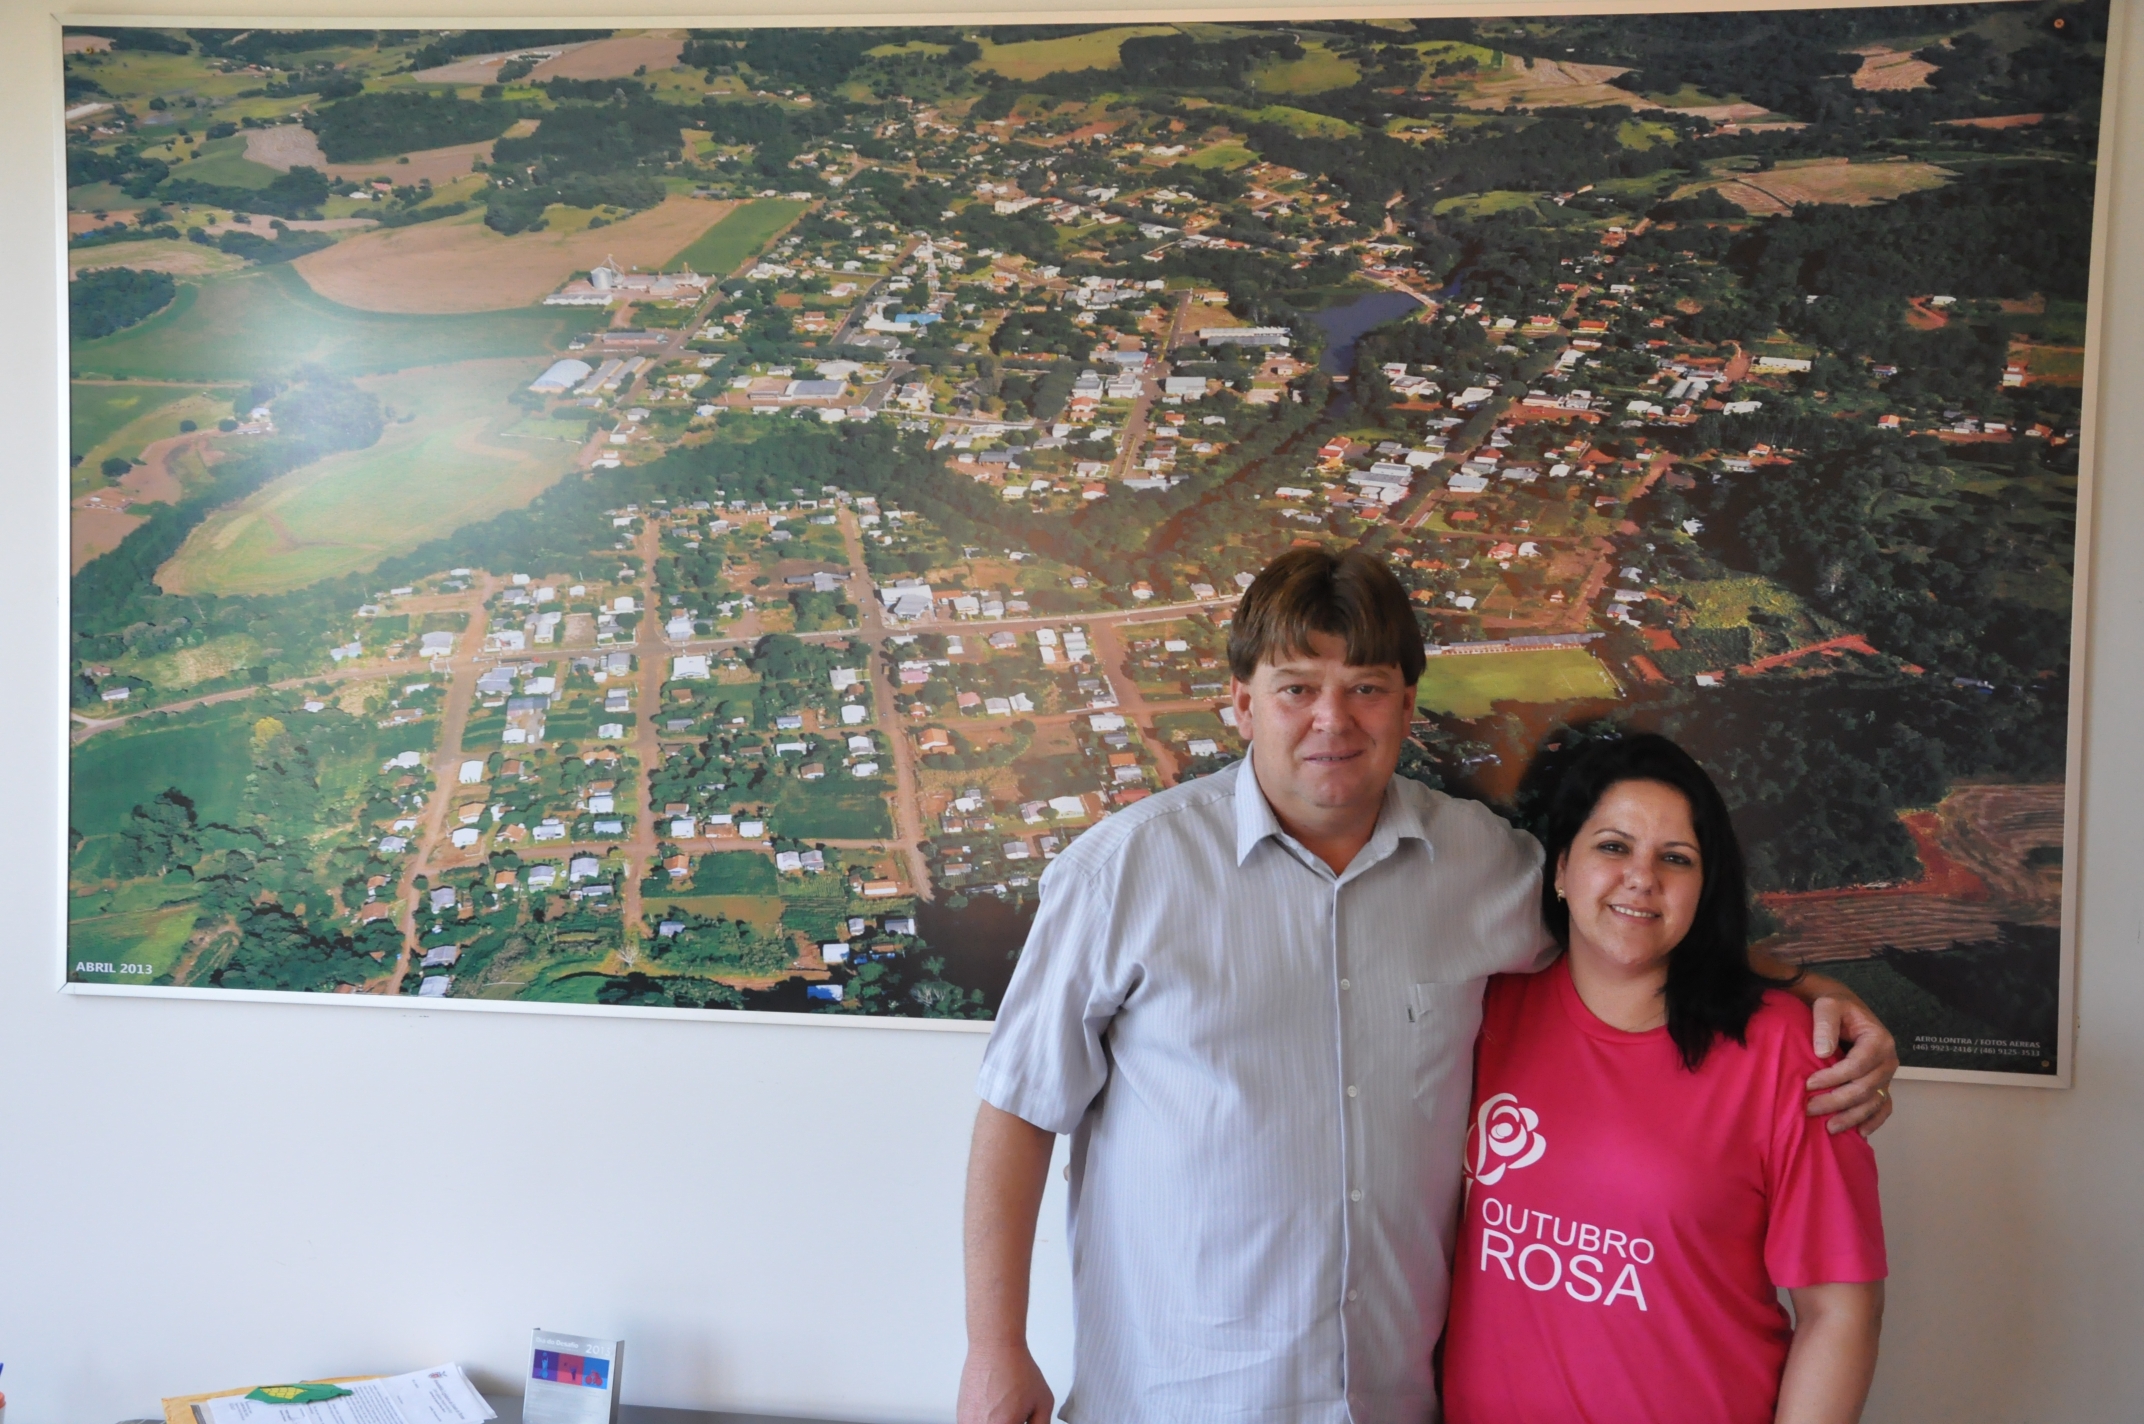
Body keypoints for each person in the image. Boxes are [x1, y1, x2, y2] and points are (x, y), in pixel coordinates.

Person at [958, 549, 1896, 1424]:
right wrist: (996, 1350)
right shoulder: (1123, 875)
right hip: (1180, 1395)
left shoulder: (1480, 863)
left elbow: (1624, 909)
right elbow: (1018, 1111)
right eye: (1298, 688)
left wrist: (1810, 984)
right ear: (1242, 703)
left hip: (1392, 1401)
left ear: (1407, 707)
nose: (1334, 721)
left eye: (1366, 688)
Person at [1442, 733, 1887, 1424]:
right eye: (1613, 846)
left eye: (1675, 858)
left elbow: (1840, 1311)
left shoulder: (1784, 1051)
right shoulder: (1485, 1007)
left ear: (1703, 890)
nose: (1641, 878)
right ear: (1561, 868)